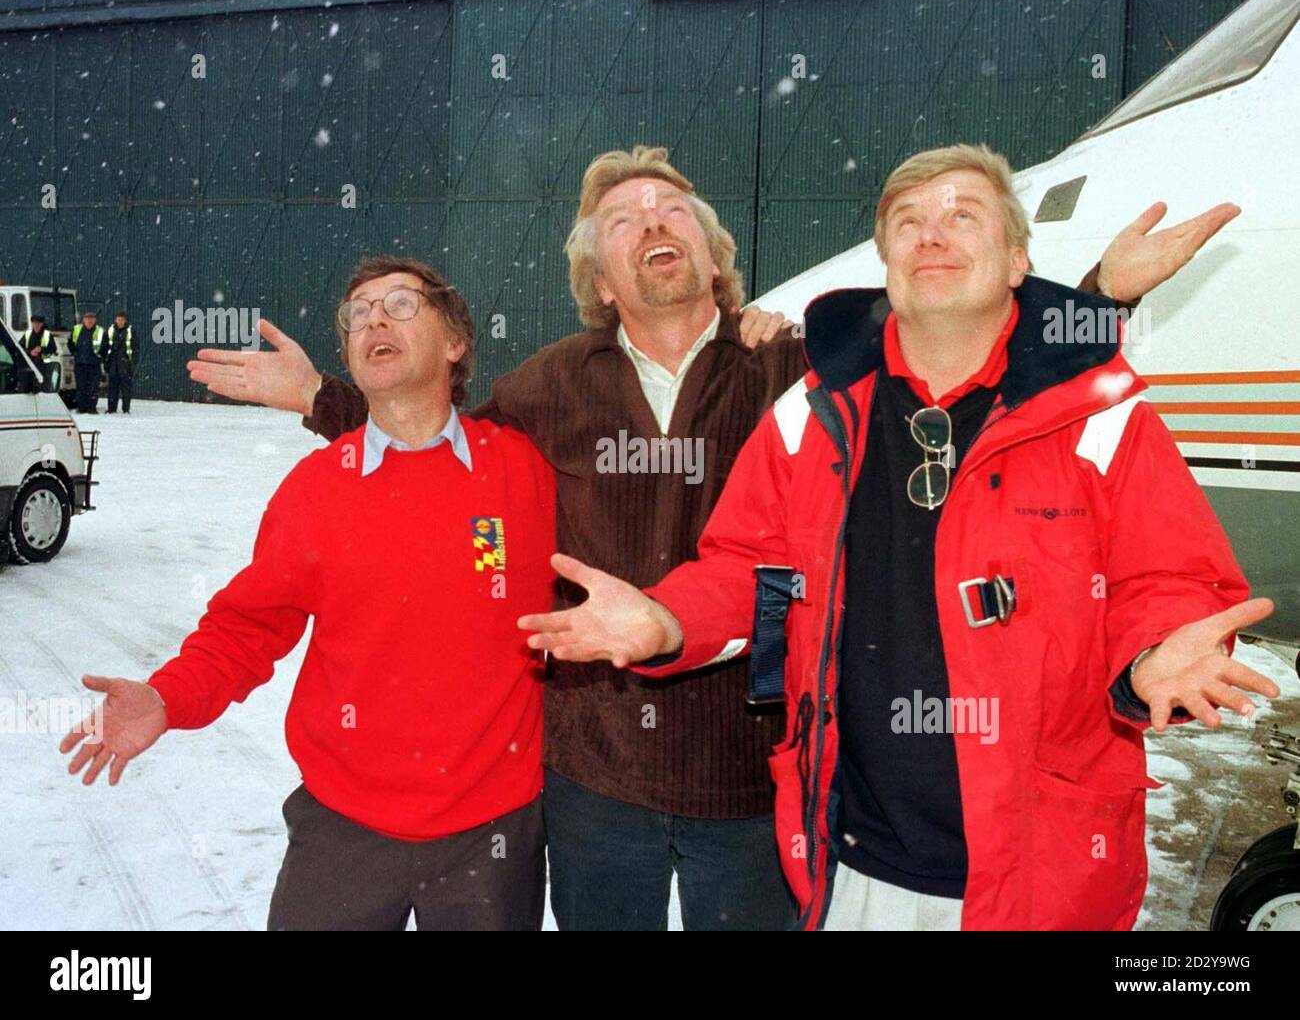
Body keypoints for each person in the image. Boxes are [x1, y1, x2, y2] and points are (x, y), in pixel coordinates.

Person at [185, 145, 1242, 931]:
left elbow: (976, 351)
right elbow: (434, 443)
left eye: (671, 208)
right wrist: (326, 401)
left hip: (757, 779)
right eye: (621, 217)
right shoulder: (547, 389)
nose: (651, 220)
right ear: (599, 275)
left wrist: (1089, 304)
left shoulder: (794, 373)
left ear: (712, 254)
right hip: (599, 779)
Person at [515, 144, 1281, 931]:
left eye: (962, 215)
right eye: (908, 222)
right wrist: (668, 619)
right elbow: (747, 567)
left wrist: (1155, 649)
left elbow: (1168, 577)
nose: (932, 235)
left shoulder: (1101, 418)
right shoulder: (813, 414)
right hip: (851, 862)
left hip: (1037, 869)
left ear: (1019, 257)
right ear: (887, 263)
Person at [60, 257, 557, 931]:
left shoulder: (524, 471)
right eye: (358, 313)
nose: (374, 318)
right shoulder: (316, 489)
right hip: (342, 828)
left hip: (490, 837)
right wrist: (168, 695)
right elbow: (246, 628)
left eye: (402, 304)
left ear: (455, 341)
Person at [69, 311, 105, 414]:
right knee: (81, 387)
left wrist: (100, 355)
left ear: (95, 320)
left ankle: (92, 408)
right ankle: (81, 408)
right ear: (83, 320)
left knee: (93, 387)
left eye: (91, 319)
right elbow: (70, 343)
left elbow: (106, 345)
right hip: (80, 364)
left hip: (94, 364)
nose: (89, 321)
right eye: (87, 319)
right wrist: (75, 353)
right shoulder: (76, 329)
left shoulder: (100, 331)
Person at [101, 311, 135, 414]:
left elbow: (135, 347)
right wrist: (105, 360)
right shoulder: (110, 330)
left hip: (125, 363)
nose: (120, 321)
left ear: (125, 320)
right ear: (115, 320)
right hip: (113, 363)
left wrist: (133, 362)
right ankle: (111, 409)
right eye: (118, 319)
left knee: (126, 389)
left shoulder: (130, 331)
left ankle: (126, 409)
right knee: (112, 388)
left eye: (122, 320)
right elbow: (104, 346)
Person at [16, 314, 56, 392]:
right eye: (34, 323)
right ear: (32, 324)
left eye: (38, 323)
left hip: (44, 366)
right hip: (29, 365)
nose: (36, 325)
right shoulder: (27, 334)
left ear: (42, 324)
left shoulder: (47, 334)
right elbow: (19, 348)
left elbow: (53, 348)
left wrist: (42, 349)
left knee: (42, 389)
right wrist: (30, 352)